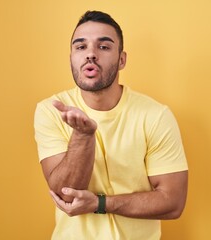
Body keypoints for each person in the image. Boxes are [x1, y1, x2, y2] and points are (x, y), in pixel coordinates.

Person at [34, 10, 188, 240]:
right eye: (80, 47)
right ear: (71, 58)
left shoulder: (155, 115)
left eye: (104, 47)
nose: (91, 55)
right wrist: (83, 136)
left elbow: (173, 203)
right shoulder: (51, 110)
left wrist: (101, 203)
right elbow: (65, 195)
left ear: (122, 59)